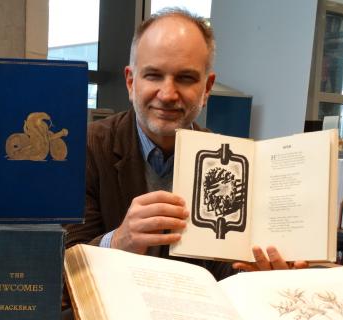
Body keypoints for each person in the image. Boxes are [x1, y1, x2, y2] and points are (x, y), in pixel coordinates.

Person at [65, 8, 307, 277]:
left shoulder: (235, 162)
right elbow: (60, 264)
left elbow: (226, 269)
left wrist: (260, 272)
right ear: (131, 82)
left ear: (206, 88)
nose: (168, 94)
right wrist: (118, 242)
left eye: (185, 78)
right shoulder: (85, 148)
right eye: (154, 75)